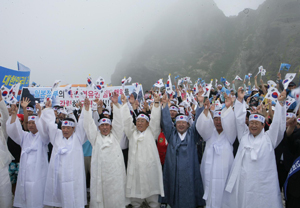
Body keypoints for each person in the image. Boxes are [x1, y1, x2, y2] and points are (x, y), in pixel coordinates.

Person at [223, 87, 287, 208]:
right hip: (244, 182)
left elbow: (278, 125)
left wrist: (280, 104)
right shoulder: (244, 137)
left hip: (262, 183)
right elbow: (239, 120)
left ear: (263, 125)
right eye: (251, 123)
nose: (253, 125)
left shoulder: (269, 139)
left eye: (257, 123)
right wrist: (240, 100)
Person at [37, 100, 87, 208]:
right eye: (63, 127)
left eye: (68, 128)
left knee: (74, 200)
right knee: (60, 201)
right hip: (59, 177)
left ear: (73, 129)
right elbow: (50, 124)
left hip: (74, 178)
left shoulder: (78, 138)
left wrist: (85, 108)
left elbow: (83, 122)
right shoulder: (56, 136)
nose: (65, 130)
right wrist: (48, 109)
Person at [82, 93, 129, 208]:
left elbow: (119, 122)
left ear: (110, 127)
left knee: (115, 198)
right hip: (100, 176)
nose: (104, 127)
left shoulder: (116, 136)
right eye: (102, 125)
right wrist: (87, 110)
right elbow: (89, 125)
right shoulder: (95, 138)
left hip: (114, 176)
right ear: (99, 127)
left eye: (107, 125)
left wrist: (115, 103)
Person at [160, 91, 205, 208]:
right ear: (175, 125)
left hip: (189, 173)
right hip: (173, 171)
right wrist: (165, 106)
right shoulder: (171, 134)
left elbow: (198, 123)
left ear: (188, 125)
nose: (180, 125)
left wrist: (200, 104)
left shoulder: (192, 135)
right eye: (178, 123)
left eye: (183, 123)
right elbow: (166, 122)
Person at [121, 93, 164, 208]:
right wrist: (125, 104)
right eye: (138, 121)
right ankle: (136, 204)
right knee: (135, 195)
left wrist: (155, 103)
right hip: (135, 170)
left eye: (142, 121)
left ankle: (154, 204)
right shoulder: (132, 133)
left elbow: (155, 119)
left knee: (153, 195)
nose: (139, 123)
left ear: (147, 123)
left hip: (150, 170)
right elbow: (126, 121)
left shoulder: (152, 132)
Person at [6, 100, 49, 208]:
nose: (30, 125)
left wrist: (40, 112)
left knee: (37, 197)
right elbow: (13, 131)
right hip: (25, 174)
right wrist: (14, 114)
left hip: (38, 173)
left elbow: (45, 127)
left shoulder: (43, 137)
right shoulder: (25, 136)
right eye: (29, 123)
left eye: (33, 123)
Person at [196, 95, 236, 208]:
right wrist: (206, 110)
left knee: (225, 198)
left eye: (221, 119)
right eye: (216, 119)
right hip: (209, 174)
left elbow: (232, 123)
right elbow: (202, 126)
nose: (218, 122)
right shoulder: (209, 134)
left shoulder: (230, 135)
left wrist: (229, 108)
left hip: (225, 174)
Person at [0, 90, 14, 208]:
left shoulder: (2, 133)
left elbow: (5, 118)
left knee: (5, 198)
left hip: (2, 168)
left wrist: (0, 100)